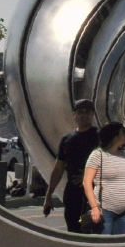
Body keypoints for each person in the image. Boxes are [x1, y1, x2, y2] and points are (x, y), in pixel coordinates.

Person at [41, 98, 101, 233]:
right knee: (74, 231)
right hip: (73, 193)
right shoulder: (67, 139)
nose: (84, 115)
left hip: (96, 193)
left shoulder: (99, 136)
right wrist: (48, 196)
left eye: (88, 112)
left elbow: (109, 162)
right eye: (80, 112)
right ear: (74, 114)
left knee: (96, 232)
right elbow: (58, 168)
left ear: (93, 115)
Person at [83, 122, 125, 236]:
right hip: (104, 211)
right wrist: (94, 207)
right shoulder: (97, 155)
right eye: (123, 132)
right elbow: (87, 182)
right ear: (115, 136)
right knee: (104, 246)